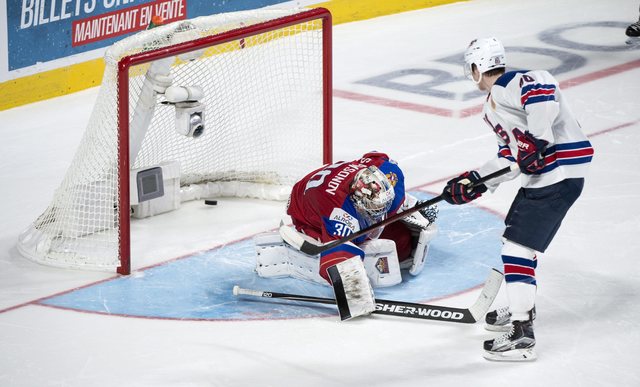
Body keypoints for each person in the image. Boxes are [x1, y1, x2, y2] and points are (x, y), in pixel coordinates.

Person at [442, 37, 594, 361]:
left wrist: (539, 140)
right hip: (543, 178)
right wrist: (475, 182)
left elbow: (541, 91)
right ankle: (522, 307)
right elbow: (510, 157)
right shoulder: (492, 107)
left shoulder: (517, 81)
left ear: (476, 67)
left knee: (516, 249)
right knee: (514, 239)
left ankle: (523, 335)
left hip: (558, 175)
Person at [254, 151, 438, 319]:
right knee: (379, 247)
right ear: (356, 202)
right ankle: (311, 237)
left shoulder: (389, 172)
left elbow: (375, 156)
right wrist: (356, 295)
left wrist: (406, 205)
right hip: (305, 208)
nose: (379, 213)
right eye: (374, 209)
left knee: (403, 239)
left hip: (335, 186)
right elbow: (338, 259)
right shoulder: (339, 214)